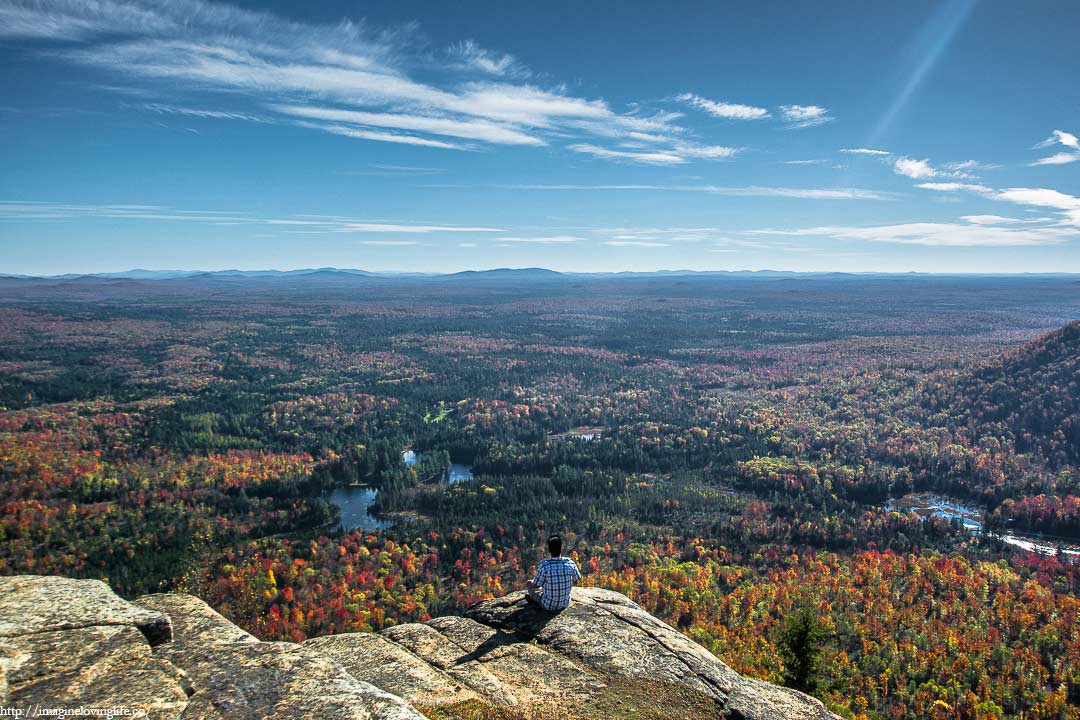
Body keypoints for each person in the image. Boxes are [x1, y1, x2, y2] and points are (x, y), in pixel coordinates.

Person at [525, 534, 581, 611]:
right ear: (561, 549)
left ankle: (536, 602)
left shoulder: (544, 565)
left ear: (549, 550)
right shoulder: (570, 563)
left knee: (531, 588)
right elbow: (576, 581)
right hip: (565, 604)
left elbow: (536, 585)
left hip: (548, 606)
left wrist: (530, 583)